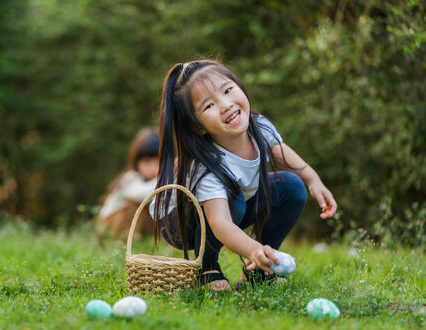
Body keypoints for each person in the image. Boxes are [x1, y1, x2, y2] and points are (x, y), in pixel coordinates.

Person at [151, 60, 337, 291]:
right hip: (178, 221)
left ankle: (260, 267)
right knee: (234, 202)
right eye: (209, 106)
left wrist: (313, 180)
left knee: (291, 186)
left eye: (228, 90)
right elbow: (220, 222)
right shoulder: (207, 166)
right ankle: (206, 268)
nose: (226, 105)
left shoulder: (258, 126)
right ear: (198, 127)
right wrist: (251, 248)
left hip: (230, 206)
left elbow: (282, 156)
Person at [97, 127, 159, 240]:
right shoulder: (130, 178)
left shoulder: (152, 181)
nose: (153, 168)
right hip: (111, 225)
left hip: (132, 227)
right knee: (135, 206)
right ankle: (125, 239)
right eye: (147, 162)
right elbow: (142, 194)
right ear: (136, 162)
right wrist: (165, 179)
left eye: (158, 161)